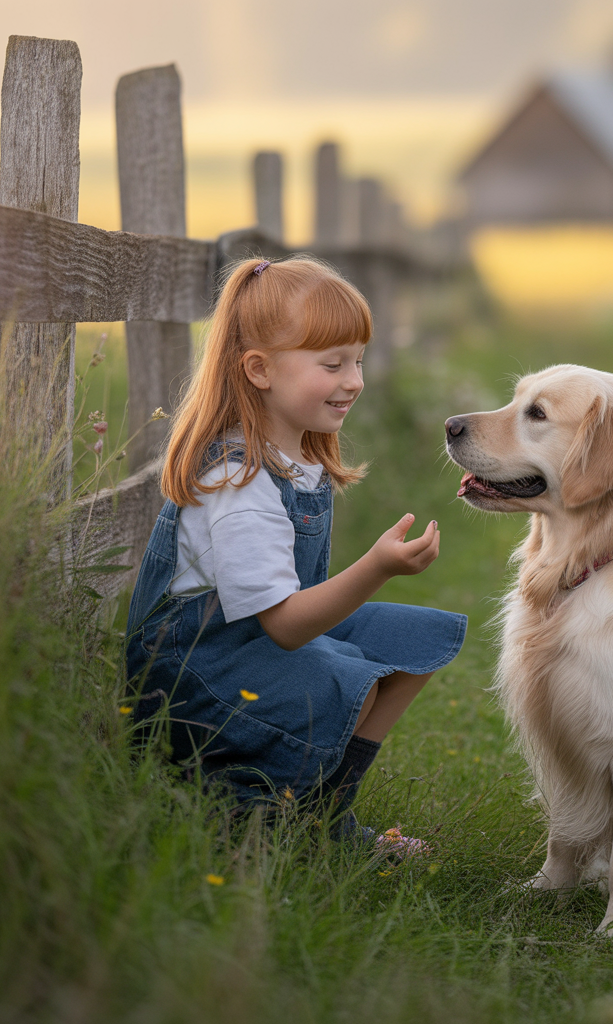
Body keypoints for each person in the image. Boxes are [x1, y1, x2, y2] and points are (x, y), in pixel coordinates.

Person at [125, 257, 466, 855]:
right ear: (259, 370)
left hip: (245, 648)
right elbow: (285, 626)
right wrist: (377, 566)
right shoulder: (240, 484)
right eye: (332, 364)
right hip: (196, 679)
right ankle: (250, 814)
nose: (354, 379)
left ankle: (323, 818)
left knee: (414, 643)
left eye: (357, 359)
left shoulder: (295, 464)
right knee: (347, 676)